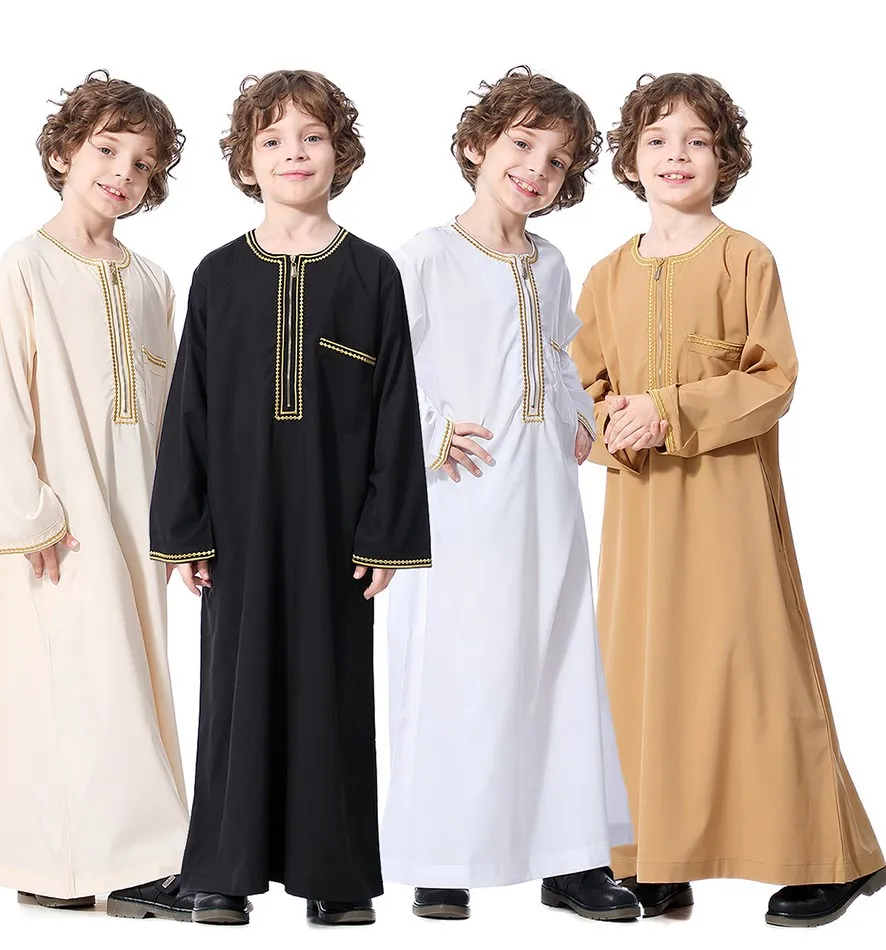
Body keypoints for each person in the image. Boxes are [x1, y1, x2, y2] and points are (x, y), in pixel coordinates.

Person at [572, 71, 885, 927]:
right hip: (640, 507)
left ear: (726, 159)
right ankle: (654, 859)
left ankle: (832, 856)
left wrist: (667, 409)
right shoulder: (604, 274)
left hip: (730, 500)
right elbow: (577, 391)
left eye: (697, 141)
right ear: (629, 160)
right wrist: (614, 422)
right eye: (657, 140)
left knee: (758, 665)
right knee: (643, 670)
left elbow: (773, 378)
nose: (676, 155)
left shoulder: (745, 257)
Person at [149, 69, 431, 927]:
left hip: (336, 530)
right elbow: (189, 407)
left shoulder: (372, 273)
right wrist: (188, 528)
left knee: (332, 687)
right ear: (246, 162)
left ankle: (335, 876)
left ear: (341, 155)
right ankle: (221, 871)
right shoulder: (218, 274)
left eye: (312, 137)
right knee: (233, 690)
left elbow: (395, 411)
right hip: (237, 527)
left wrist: (384, 533)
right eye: (271, 139)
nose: (293, 153)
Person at [382, 66, 637, 923]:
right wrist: (430, 432)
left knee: (557, 663)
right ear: (476, 145)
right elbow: (384, 372)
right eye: (522, 144)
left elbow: (560, 359)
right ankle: (442, 857)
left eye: (558, 161)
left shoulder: (551, 262)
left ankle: (571, 861)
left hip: (544, 496)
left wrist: (577, 418)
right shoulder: (426, 255)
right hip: (459, 498)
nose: (536, 168)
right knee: (460, 668)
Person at [0, 70, 194, 921]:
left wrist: (186, 521)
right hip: (63, 518)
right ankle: (135, 867)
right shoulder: (26, 266)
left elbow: (173, 413)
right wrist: (31, 516)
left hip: (141, 512)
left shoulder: (152, 281)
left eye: (143, 162)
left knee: (126, 673)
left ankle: (56, 869)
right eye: (107, 149)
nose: (122, 172)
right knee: (79, 678)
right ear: (64, 152)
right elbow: (2, 400)